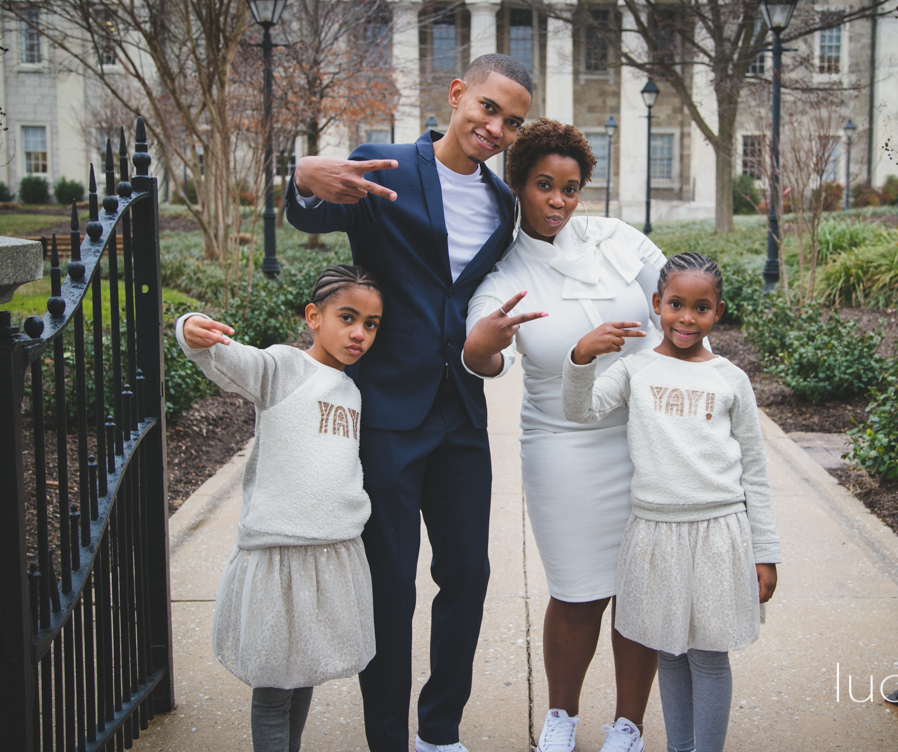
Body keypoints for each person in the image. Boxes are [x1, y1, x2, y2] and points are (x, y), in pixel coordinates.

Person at [285, 54, 534, 752]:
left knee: (468, 574)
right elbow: (313, 206)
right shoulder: (384, 165)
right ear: (457, 95)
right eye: (487, 108)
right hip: (388, 410)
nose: (495, 128)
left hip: (462, 409)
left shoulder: (503, 203)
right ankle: (387, 739)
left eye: (511, 122)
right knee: (389, 585)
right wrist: (302, 174)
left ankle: (440, 731)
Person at [463, 118, 666, 752]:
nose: (558, 200)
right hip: (563, 443)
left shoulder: (618, 241)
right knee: (577, 591)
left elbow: (684, 313)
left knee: (640, 588)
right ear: (518, 185)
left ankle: (628, 723)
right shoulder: (501, 272)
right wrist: (484, 346)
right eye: (545, 186)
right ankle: (561, 715)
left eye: (572, 188)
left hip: (644, 437)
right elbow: (483, 355)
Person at [560, 253, 782, 752]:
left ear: (717, 312)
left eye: (701, 308)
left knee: (707, 655)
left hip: (719, 532)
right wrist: (581, 357)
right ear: (657, 304)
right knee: (669, 654)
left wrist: (765, 551)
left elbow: (756, 472)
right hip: (655, 531)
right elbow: (580, 410)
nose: (687, 318)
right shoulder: (635, 369)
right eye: (676, 305)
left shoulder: (731, 379)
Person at [175, 265, 383, 752]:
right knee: (273, 687)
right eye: (347, 317)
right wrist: (190, 327)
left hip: (331, 549)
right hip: (279, 551)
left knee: (303, 672)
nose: (359, 333)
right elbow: (228, 360)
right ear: (314, 316)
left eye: (370, 324)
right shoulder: (283, 368)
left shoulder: (352, 390)